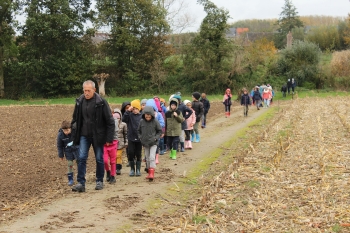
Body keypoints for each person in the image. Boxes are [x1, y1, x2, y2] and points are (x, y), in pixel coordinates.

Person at [71, 80, 115, 192]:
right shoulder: (79, 102)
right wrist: (74, 132)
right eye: (84, 90)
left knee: (99, 158)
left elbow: (110, 121)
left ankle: (99, 180)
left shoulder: (101, 102)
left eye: (88, 90)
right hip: (83, 135)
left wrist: (109, 138)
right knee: (81, 158)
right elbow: (75, 119)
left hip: (98, 136)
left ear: (94, 90)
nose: (86, 93)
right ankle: (81, 183)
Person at [137, 106, 162, 181]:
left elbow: (159, 131)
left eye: (149, 115)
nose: (147, 116)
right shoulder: (141, 121)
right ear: (144, 114)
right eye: (146, 115)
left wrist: (156, 138)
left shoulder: (155, 122)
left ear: (152, 115)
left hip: (153, 142)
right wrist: (141, 137)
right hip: (145, 143)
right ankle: (149, 170)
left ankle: (152, 173)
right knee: (147, 158)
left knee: (151, 157)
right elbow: (138, 131)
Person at [122, 99, 143, 176]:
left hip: (139, 138)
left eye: (136, 109)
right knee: (130, 153)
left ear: (139, 108)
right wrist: (128, 111)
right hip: (131, 137)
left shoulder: (141, 116)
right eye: (133, 109)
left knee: (138, 154)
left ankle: (138, 169)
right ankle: (132, 169)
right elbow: (123, 119)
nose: (134, 110)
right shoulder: (129, 115)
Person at [56, 120, 79, 186]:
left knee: (79, 162)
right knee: (70, 164)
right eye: (64, 130)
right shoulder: (60, 135)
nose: (66, 132)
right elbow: (59, 146)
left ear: (70, 128)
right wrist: (61, 155)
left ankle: (80, 176)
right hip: (68, 151)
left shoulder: (75, 132)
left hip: (76, 150)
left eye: (67, 130)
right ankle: (70, 179)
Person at [103, 108, 119, 184]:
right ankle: (108, 171)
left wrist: (109, 140)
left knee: (113, 161)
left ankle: (113, 176)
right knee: (105, 160)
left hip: (113, 142)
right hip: (104, 144)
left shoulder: (115, 121)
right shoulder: (102, 120)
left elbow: (114, 130)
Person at [113, 108, 128, 175]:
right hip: (113, 144)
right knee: (114, 156)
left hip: (120, 143)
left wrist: (126, 142)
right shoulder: (111, 125)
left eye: (118, 118)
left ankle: (118, 168)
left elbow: (126, 134)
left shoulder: (123, 125)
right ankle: (114, 168)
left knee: (118, 155)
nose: (117, 120)